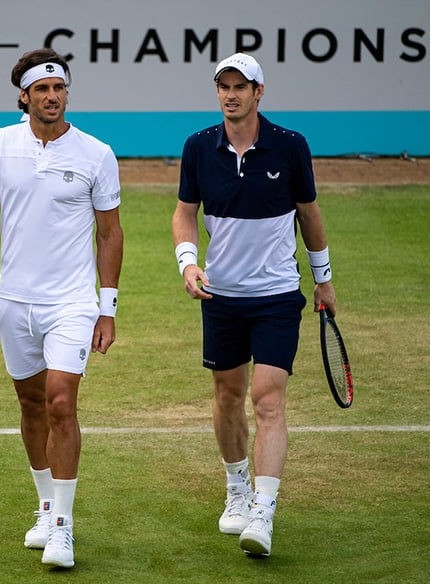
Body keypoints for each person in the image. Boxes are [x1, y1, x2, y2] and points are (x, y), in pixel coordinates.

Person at [0, 48, 123, 569]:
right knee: (30, 405)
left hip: (71, 304)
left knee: (59, 403)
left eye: (60, 88)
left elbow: (110, 232)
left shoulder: (97, 153)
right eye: (43, 90)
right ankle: (46, 506)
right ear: (24, 96)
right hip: (12, 304)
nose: (53, 97)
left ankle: (63, 528)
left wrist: (107, 308)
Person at [171, 53, 337, 557]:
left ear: (259, 91)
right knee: (227, 398)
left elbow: (309, 215)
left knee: (267, 399)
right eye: (223, 86)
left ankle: (263, 510)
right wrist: (187, 263)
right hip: (220, 296)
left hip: (277, 297)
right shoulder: (199, 147)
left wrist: (323, 281)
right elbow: (184, 214)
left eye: (240, 86)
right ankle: (237, 487)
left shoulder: (290, 146)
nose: (230, 94)